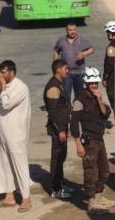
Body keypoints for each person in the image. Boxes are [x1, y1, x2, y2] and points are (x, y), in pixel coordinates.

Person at [70, 66, 115, 213]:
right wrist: (78, 145)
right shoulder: (79, 100)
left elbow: (105, 114)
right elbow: (74, 124)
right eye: (91, 83)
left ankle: (99, 196)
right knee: (91, 171)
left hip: (99, 139)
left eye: (95, 82)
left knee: (105, 171)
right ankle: (91, 202)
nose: (94, 85)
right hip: (89, 141)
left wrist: (100, 100)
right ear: (85, 83)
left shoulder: (98, 97)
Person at [0, 60, 32, 213]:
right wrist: (3, 88)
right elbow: (0, 100)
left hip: (16, 133)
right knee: (4, 163)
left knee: (19, 164)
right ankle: (9, 196)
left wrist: (3, 88)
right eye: (0, 72)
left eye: (3, 72)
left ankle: (26, 198)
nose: (0, 75)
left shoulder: (20, 87)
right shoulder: (5, 87)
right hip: (3, 130)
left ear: (11, 72)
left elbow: (6, 103)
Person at [44, 59, 73, 199]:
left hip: (62, 127)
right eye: (65, 68)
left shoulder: (59, 84)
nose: (68, 71)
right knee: (57, 157)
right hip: (57, 129)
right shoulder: (53, 87)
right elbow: (53, 112)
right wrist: (60, 130)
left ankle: (60, 183)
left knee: (61, 156)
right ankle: (56, 189)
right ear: (58, 70)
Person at [52, 22, 94, 100]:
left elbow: (91, 49)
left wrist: (84, 53)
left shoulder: (82, 40)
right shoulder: (61, 40)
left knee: (80, 94)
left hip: (79, 72)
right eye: (70, 30)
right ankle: (67, 110)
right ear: (66, 30)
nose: (72, 31)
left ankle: (78, 110)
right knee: (66, 93)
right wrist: (55, 66)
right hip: (66, 73)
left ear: (76, 29)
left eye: (74, 29)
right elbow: (56, 52)